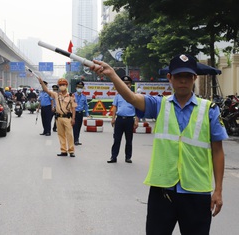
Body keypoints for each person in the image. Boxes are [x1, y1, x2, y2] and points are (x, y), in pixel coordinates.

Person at [91, 54, 227, 234]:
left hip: (197, 192)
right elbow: (131, 98)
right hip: (163, 191)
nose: (183, 81)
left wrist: (218, 191)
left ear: (195, 77)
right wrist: (112, 75)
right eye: (178, 76)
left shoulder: (209, 109)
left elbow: (218, 152)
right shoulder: (160, 104)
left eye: (188, 76)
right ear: (170, 78)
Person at [37, 77, 77, 157]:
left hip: (67, 118)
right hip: (59, 118)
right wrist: (41, 82)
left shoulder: (71, 96)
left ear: (66, 85)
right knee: (61, 135)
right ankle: (63, 151)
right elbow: (46, 90)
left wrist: (73, 118)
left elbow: (73, 108)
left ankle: (71, 151)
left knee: (69, 135)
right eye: (60, 85)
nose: (62, 86)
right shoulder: (56, 95)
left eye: (63, 84)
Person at [108, 76, 138, 163]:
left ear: (130, 84)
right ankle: (113, 157)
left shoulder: (134, 95)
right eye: (124, 83)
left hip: (129, 120)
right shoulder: (118, 96)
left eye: (128, 83)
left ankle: (128, 157)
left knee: (129, 140)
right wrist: (113, 118)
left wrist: (136, 120)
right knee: (116, 139)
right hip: (119, 120)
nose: (126, 85)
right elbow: (115, 107)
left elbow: (137, 109)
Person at [72, 81, 90, 146]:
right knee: (75, 127)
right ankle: (75, 140)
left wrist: (87, 113)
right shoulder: (73, 95)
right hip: (74, 113)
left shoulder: (84, 96)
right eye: (78, 87)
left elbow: (85, 105)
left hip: (80, 113)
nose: (80, 88)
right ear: (76, 87)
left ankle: (77, 139)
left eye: (81, 87)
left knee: (79, 127)